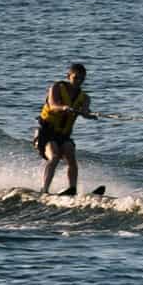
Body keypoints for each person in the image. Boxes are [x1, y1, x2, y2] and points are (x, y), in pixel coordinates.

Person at [35, 63, 96, 195]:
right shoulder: (56, 87)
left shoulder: (85, 98)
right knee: (55, 156)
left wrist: (88, 115)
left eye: (82, 79)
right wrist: (64, 108)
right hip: (46, 133)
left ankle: (72, 189)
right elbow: (52, 105)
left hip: (63, 135)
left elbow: (85, 111)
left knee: (71, 157)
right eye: (76, 78)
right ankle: (44, 190)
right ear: (68, 76)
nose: (79, 82)